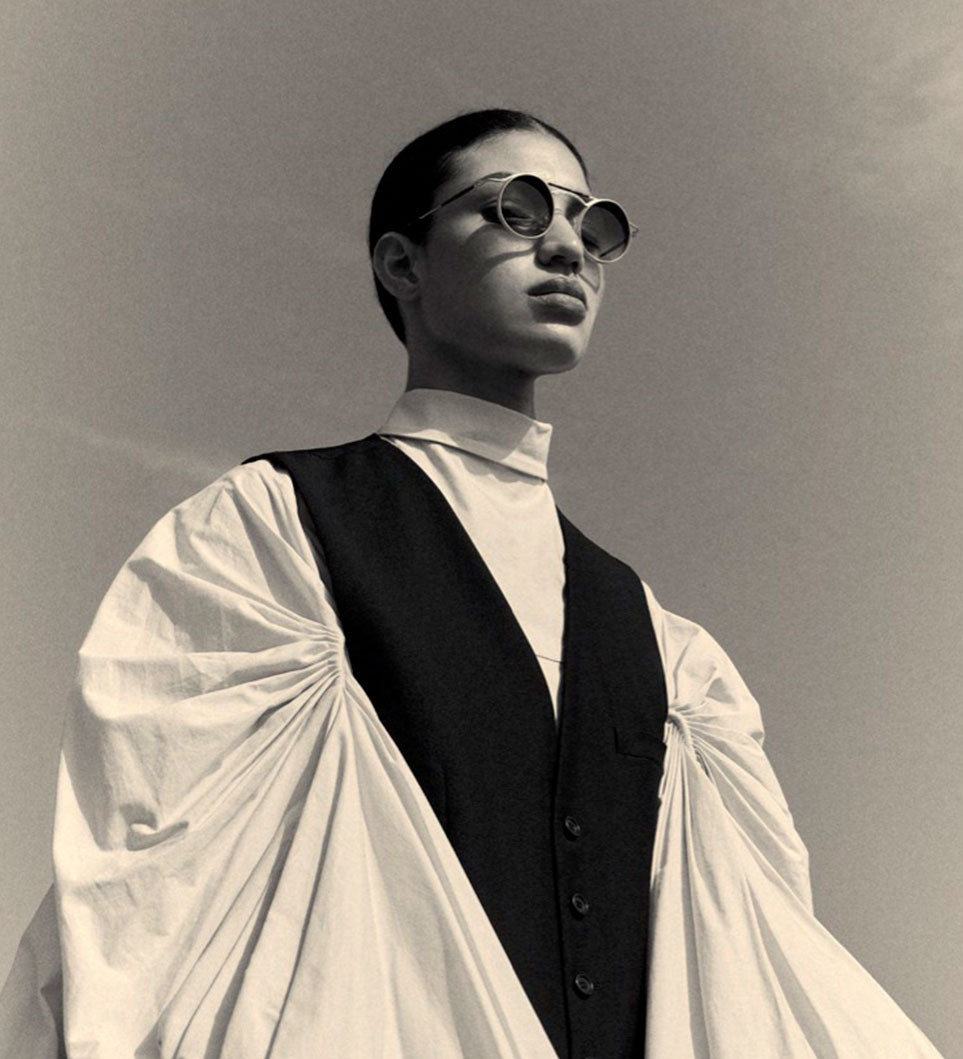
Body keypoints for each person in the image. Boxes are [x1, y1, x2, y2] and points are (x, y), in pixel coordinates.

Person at [0, 109, 944, 1058]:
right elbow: (171, 907)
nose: (568, 247)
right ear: (401, 264)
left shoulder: (668, 649)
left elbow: (743, 967)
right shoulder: (270, 534)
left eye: (593, 224)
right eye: (516, 209)